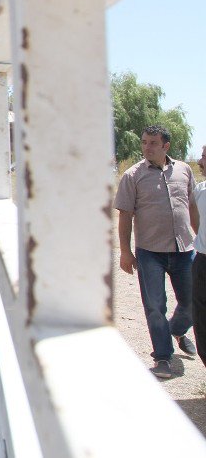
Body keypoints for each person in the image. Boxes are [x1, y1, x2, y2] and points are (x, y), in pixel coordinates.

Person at [115, 125, 199, 379]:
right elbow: (125, 216)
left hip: (185, 249)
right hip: (150, 252)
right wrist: (125, 252)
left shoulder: (184, 170)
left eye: (152, 143)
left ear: (166, 146)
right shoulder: (132, 176)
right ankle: (163, 357)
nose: (146, 147)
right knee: (154, 305)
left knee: (193, 301)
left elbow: (192, 207)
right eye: (144, 142)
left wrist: (202, 239)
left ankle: (177, 329)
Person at [193, 145, 206, 368]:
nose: (200, 161)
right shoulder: (200, 189)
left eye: (204, 156)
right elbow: (195, 223)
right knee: (201, 320)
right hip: (202, 261)